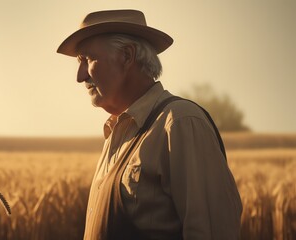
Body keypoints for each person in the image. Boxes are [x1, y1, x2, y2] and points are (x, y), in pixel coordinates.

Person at [57, 9, 242, 240]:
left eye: (87, 59)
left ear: (127, 56)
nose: (80, 76)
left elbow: (213, 231)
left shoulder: (181, 122)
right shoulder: (117, 132)